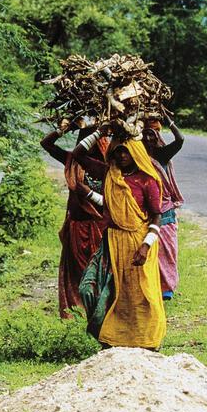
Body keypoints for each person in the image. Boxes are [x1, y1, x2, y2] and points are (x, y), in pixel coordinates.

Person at [74, 127, 166, 349]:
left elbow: (156, 217)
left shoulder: (147, 180)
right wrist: (100, 132)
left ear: (136, 152)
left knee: (139, 295)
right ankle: (106, 334)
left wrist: (146, 247)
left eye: (126, 151)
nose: (121, 156)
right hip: (111, 241)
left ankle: (146, 341)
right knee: (89, 288)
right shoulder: (109, 173)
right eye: (118, 151)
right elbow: (77, 155)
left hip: (138, 243)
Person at [41, 121, 110, 318]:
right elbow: (46, 144)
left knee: (97, 272)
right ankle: (76, 313)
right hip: (77, 227)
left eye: (95, 140)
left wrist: (89, 195)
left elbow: (115, 201)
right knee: (76, 273)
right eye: (85, 138)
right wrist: (65, 127)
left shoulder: (109, 166)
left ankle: (98, 313)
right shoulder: (73, 161)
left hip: (100, 226)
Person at [142, 112, 185, 300]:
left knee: (167, 249)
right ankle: (152, 285)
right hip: (145, 209)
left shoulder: (162, 153)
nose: (149, 138)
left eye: (152, 134)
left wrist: (168, 120)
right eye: (145, 134)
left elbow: (180, 139)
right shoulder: (137, 158)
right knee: (149, 247)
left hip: (165, 208)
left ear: (158, 136)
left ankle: (166, 288)